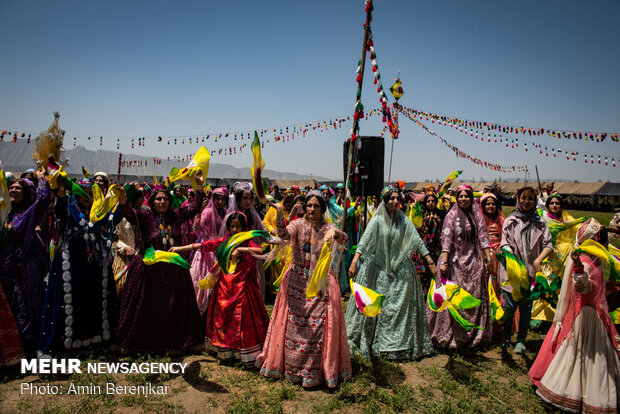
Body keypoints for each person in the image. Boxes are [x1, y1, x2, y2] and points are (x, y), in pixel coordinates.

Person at [255, 191, 352, 388]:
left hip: (319, 285)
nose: (312, 209)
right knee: (294, 326)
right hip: (296, 283)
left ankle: (315, 372)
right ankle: (291, 369)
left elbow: (345, 239)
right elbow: (283, 234)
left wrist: (337, 233)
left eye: (316, 206)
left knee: (317, 328)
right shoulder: (297, 224)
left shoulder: (327, 226)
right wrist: (280, 211)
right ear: (304, 207)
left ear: (322, 209)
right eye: (309, 205)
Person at [529, 220, 619, 413]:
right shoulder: (585, 261)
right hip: (586, 314)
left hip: (593, 312)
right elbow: (581, 287)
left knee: (584, 355)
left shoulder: (595, 259)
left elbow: (594, 286)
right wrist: (578, 268)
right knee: (584, 355)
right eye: (601, 239)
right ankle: (572, 393)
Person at [115, 177, 205, 353]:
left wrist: (199, 187)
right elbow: (128, 213)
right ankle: (147, 344)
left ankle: (176, 342)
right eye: (158, 198)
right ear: (152, 200)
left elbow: (194, 208)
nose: (162, 202)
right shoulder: (144, 216)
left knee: (174, 307)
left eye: (165, 199)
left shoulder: (176, 215)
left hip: (174, 271)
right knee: (148, 308)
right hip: (150, 270)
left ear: (169, 201)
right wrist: (123, 200)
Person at [170, 211, 269, 368]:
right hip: (225, 285)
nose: (235, 229)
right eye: (232, 226)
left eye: (238, 226)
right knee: (223, 316)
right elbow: (203, 246)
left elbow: (260, 251)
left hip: (243, 286)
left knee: (243, 319)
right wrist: (180, 248)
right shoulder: (226, 241)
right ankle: (226, 351)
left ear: (244, 227)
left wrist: (241, 250)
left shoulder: (247, 242)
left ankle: (243, 353)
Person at [346, 186, 435, 360]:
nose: (395, 201)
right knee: (381, 307)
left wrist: (430, 261)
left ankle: (401, 346)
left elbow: (416, 240)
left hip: (399, 268)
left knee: (400, 306)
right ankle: (377, 344)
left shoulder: (403, 220)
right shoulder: (378, 220)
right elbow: (364, 242)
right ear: (384, 201)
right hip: (378, 269)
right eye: (391, 198)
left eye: (397, 198)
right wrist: (355, 261)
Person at [39, 178, 118, 356]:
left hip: (93, 266)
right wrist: (59, 190)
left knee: (91, 303)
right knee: (71, 304)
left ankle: (92, 344)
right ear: (76, 193)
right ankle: (68, 347)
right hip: (71, 265)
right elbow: (58, 208)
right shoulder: (68, 210)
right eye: (83, 191)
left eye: (91, 192)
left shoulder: (98, 212)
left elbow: (114, 219)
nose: (87, 195)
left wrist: (119, 198)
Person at [427, 185, 494, 349]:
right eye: (461, 196)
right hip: (454, 262)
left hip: (473, 260)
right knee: (454, 297)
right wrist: (443, 262)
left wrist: (488, 258)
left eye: (466, 196)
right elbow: (446, 241)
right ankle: (454, 335)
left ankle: (473, 334)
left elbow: (483, 237)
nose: (463, 199)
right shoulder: (451, 216)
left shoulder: (476, 215)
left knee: (474, 294)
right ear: (457, 198)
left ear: (471, 199)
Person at [0, 168, 49, 357]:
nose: (12, 190)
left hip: (26, 270)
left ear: (27, 192)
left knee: (26, 308)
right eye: (10, 187)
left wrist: (42, 178)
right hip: (8, 269)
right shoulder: (9, 214)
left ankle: (28, 350)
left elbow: (43, 199)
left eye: (17, 188)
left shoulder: (29, 212)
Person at [498, 186, 552, 354]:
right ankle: (507, 337)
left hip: (530, 273)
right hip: (512, 272)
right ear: (518, 199)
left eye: (530, 199)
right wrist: (511, 256)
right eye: (523, 198)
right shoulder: (511, 220)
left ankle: (521, 339)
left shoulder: (541, 222)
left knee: (526, 307)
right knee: (509, 306)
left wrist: (538, 260)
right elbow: (504, 242)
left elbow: (548, 244)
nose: (526, 202)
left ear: (535, 201)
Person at [223, 182, 268, 300]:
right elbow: (225, 237)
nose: (248, 201)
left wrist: (276, 239)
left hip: (252, 254)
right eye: (244, 198)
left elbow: (263, 232)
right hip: (236, 258)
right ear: (238, 199)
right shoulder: (232, 217)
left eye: (250, 198)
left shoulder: (253, 215)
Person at [189, 186, 229, 314]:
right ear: (213, 199)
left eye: (223, 199)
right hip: (206, 252)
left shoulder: (225, 212)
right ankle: (200, 309)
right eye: (217, 199)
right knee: (203, 278)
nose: (220, 202)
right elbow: (197, 229)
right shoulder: (207, 212)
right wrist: (199, 214)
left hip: (220, 249)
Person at [411, 192, 444, 293]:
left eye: (433, 201)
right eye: (428, 201)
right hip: (423, 248)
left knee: (436, 273)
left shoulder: (441, 214)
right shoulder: (421, 214)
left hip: (437, 248)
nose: (430, 203)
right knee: (423, 274)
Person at [480, 193, 505, 297]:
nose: (490, 206)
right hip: (485, 252)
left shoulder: (502, 219)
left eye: (493, 204)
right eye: (488, 204)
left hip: (500, 251)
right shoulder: (480, 220)